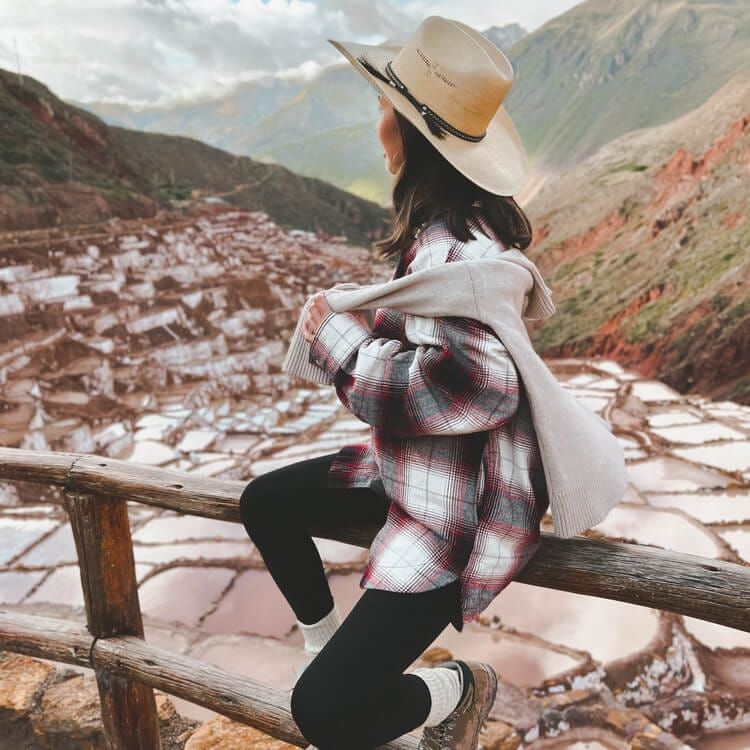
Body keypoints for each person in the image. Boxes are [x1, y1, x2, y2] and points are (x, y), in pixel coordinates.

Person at [240, 15, 549, 750]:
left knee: (323, 715)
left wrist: (338, 338)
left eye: (386, 109)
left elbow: (482, 387)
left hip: (453, 514)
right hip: (415, 473)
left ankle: (456, 688)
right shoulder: (454, 237)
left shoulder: (451, 252)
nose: (378, 124)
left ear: (411, 137)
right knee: (266, 504)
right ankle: (333, 662)